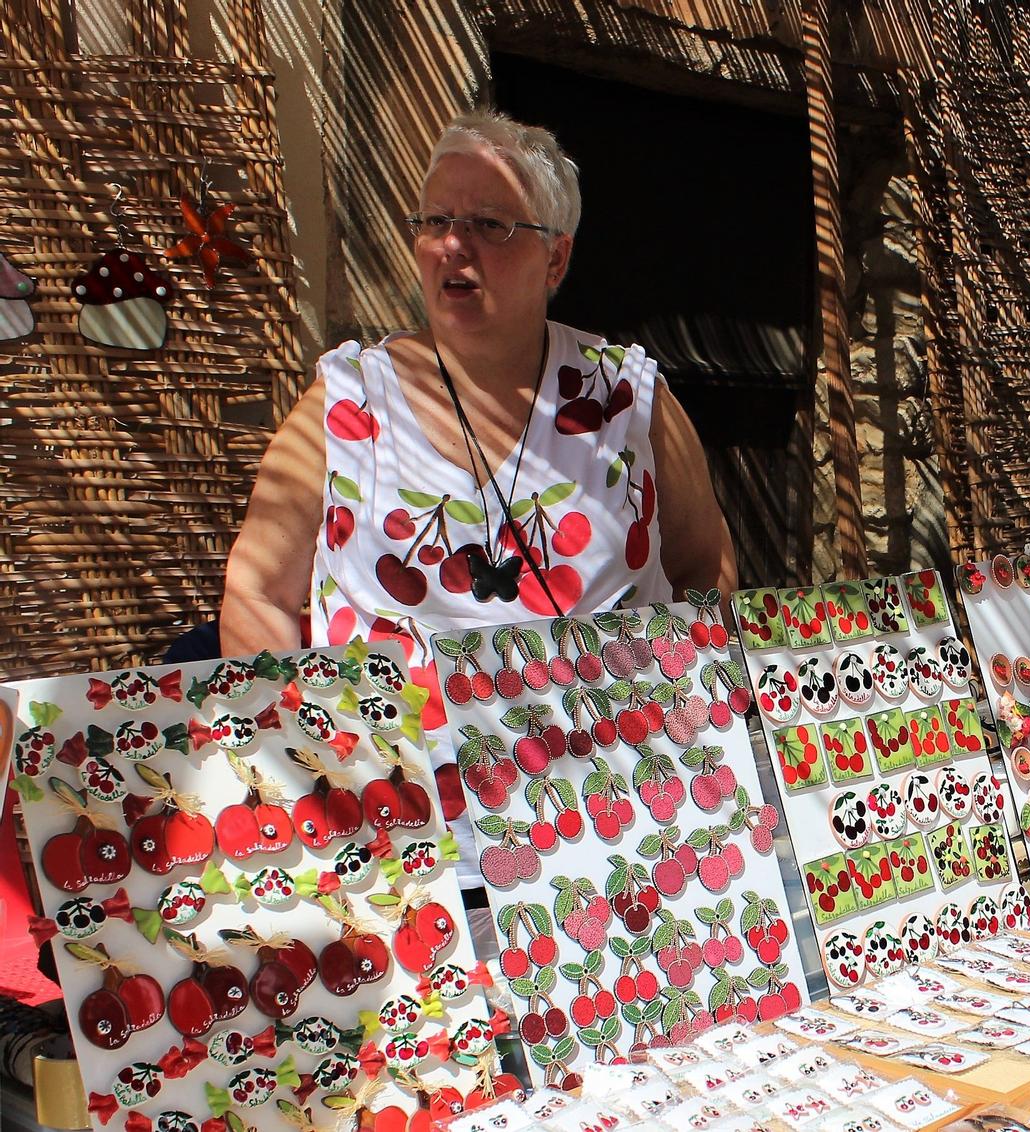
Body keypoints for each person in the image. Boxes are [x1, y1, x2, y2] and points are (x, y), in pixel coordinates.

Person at [221, 111, 734, 858]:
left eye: (490, 225)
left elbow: (703, 563)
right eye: (435, 221)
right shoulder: (344, 405)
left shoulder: (626, 401)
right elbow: (257, 591)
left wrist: (682, 727)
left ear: (556, 260)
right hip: (395, 834)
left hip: (607, 825)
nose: (452, 245)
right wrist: (306, 765)